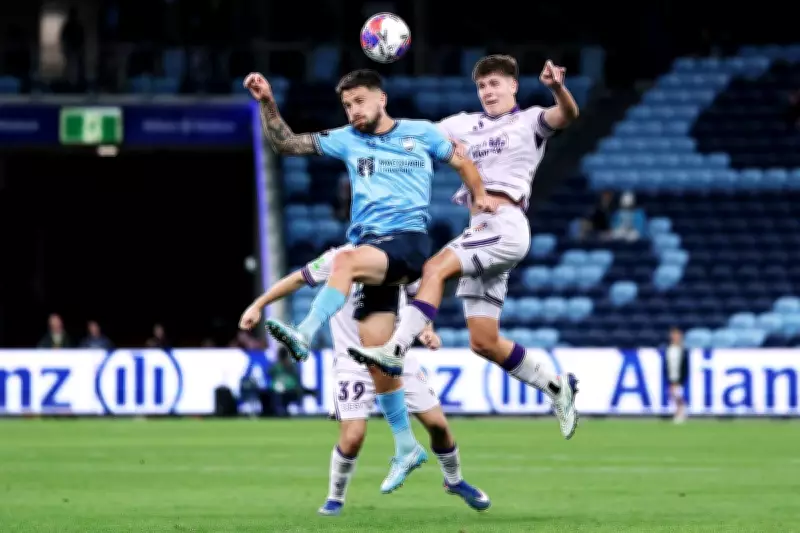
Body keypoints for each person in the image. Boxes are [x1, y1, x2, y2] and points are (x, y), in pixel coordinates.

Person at [244, 69, 492, 490]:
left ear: (381, 98)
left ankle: (304, 332)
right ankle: (404, 445)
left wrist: (480, 196)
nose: (353, 110)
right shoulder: (346, 138)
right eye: (347, 105)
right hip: (375, 250)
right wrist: (267, 100)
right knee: (377, 357)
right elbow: (286, 144)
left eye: (359, 101)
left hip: (408, 242)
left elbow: (462, 160)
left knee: (344, 263)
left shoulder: (421, 133)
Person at [349, 56, 582, 441]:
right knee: (484, 341)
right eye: (482, 86)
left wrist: (557, 87)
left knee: (434, 268)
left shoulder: (529, 122)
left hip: (505, 223)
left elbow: (567, 115)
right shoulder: (461, 124)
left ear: (513, 87)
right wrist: (373, 117)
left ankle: (395, 348)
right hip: (481, 228)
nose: (488, 92)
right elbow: (412, 137)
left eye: (495, 84)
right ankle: (557, 387)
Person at [239, 245, 490, 515]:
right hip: (352, 363)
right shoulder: (340, 258)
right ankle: (335, 498)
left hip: (394, 356)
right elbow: (299, 278)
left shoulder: (398, 257)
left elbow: (419, 299)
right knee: (353, 436)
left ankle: (454, 480)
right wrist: (259, 304)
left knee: (438, 426)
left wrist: (427, 329)